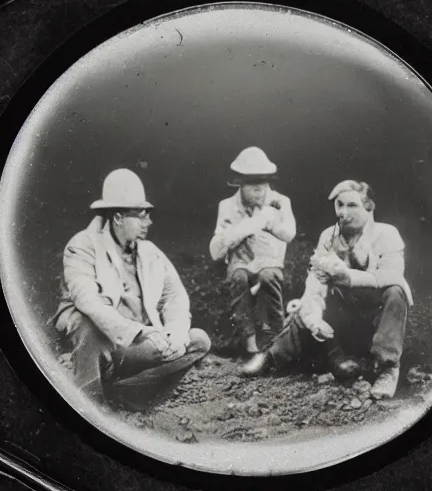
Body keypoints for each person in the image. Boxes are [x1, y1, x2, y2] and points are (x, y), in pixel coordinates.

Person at [51, 168, 211, 411]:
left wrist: (174, 333)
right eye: (141, 215)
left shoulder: (150, 252)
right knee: (87, 324)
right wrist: (140, 332)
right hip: (102, 345)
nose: (149, 222)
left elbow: (175, 296)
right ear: (118, 218)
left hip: (136, 348)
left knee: (198, 340)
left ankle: (128, 396)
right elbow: (88, 300)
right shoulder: (83, 245)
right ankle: (90, 406)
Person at [241, 180, 413, 400]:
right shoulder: (329, 237)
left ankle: (387, 368)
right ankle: (273, 357)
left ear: (369, 207)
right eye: (339, 205)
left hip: (376, 321)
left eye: (351, 205)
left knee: (396, 292)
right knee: (306, 306)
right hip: (342, 322)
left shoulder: (387, 234)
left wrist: (347, 277)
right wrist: (314, 319)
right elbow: (314, 284)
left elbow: (391, 275)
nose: (342, 212)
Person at [209, 146, 296, 360]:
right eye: (252, 183)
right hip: (242, 259)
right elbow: (216, 250)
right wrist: (240, 230)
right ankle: (248, 340)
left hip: (269, 258)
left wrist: (270, 223)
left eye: (263, 182)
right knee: (238, 277)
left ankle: (274, 335)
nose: (259, 189)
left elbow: (289, 233)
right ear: (240, 183)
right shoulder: (228, 206)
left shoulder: (279, 201)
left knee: (268, 276)